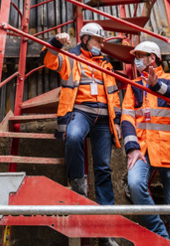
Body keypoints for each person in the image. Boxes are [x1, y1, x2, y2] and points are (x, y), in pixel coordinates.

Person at [42, 23, 121, 246]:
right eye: (98, 41)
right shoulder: (70, 57)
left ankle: (107, 233)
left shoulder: (106, 64)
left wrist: (117, 121)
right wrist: (56, 42)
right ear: (85, 39)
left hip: (104, 120)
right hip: (81, 113)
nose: (102, 45)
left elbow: (113, 95)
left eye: (103, 41)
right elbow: (48, 60)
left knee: (104, 169)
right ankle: (78, 184)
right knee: (74, 137)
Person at [121, 41, 170, 242]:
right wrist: (131, 148)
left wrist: (157, 86)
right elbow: (126, 117)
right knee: (135, 184)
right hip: (142, 149)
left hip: (169, 148)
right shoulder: (133, 86)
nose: (136, 60)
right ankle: (162, 238)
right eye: (136, 56)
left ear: (153, 58)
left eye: (140, 55)